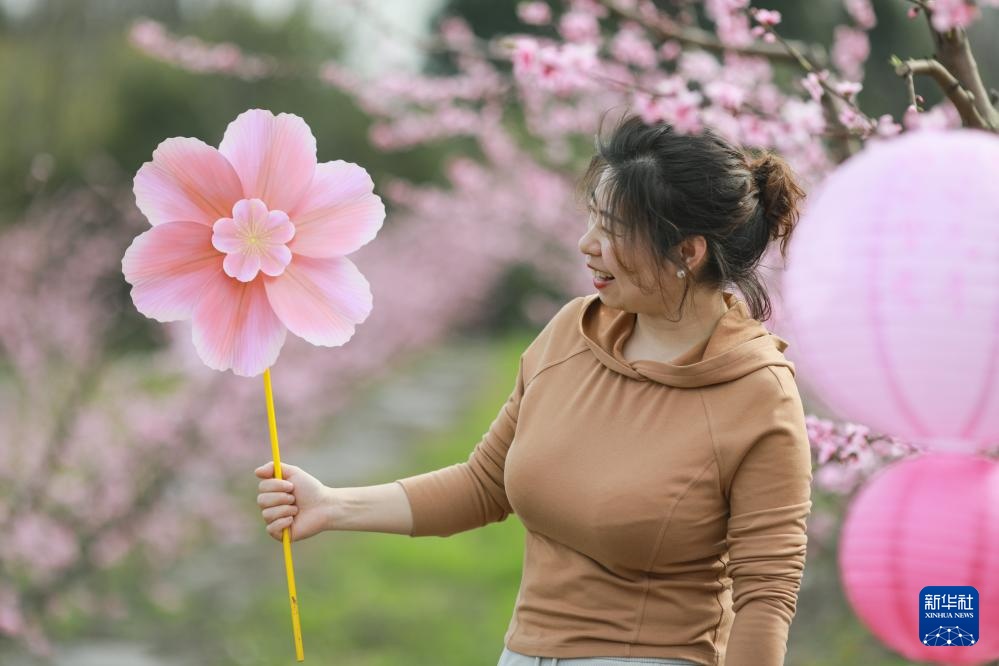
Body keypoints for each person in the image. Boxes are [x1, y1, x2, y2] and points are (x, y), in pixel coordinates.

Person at [254, 111, 813, 666]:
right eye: (590, 219)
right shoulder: (572, 332)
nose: (585, 244)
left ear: (686, 253)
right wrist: (332, 505)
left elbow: (766, 596)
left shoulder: (757, 395)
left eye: (613, 230)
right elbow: (483, 485)